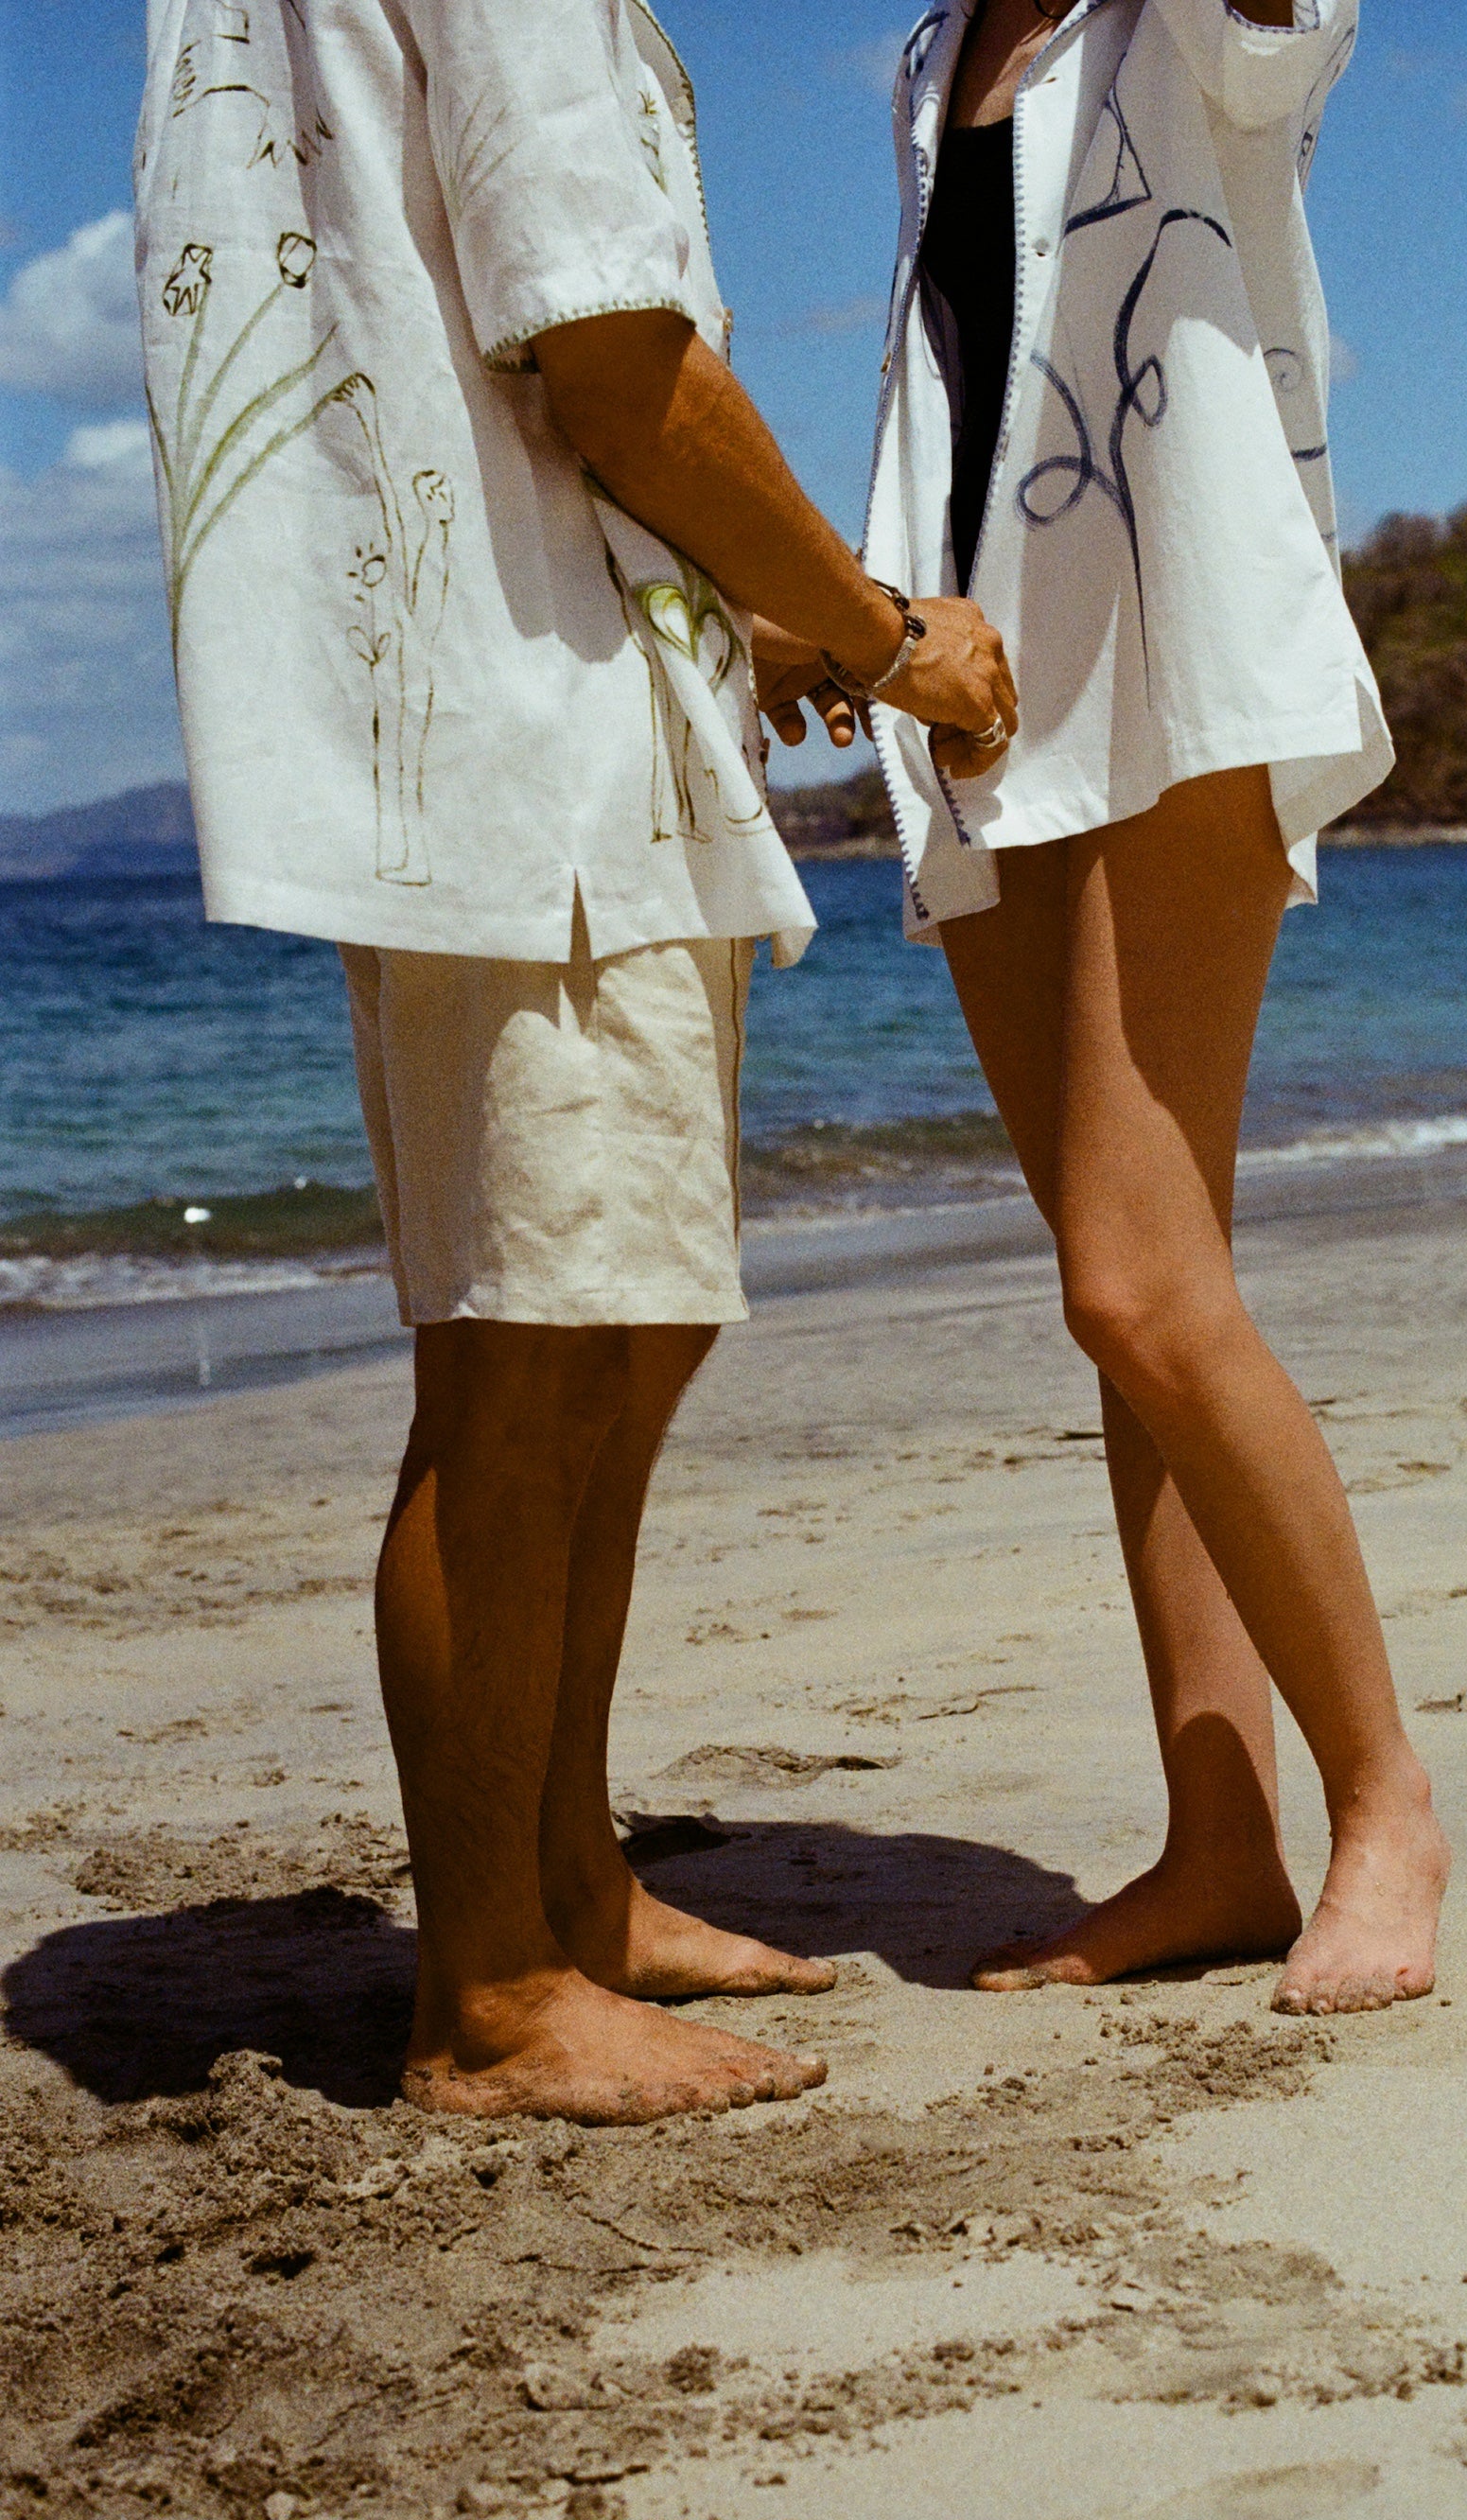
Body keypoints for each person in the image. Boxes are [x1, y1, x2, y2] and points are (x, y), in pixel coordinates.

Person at [134, 0, 1016, 2122]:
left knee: (600, 1338)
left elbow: (467, 338)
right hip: (517, 739)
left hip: (485, 687)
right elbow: (609, 351)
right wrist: (889, 631)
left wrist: (746, 604)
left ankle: (559, 1877)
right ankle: (497, 1989)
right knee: (526, 1361)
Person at [862, 0, 1450, 2012]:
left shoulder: (1197, 26)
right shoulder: (930, 56)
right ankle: (1218, 1842)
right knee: (1144, 1301)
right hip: (992, 693)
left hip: (1187, 647)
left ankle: (1385, 1802)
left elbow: (1286, 48)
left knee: (1131, 1283)